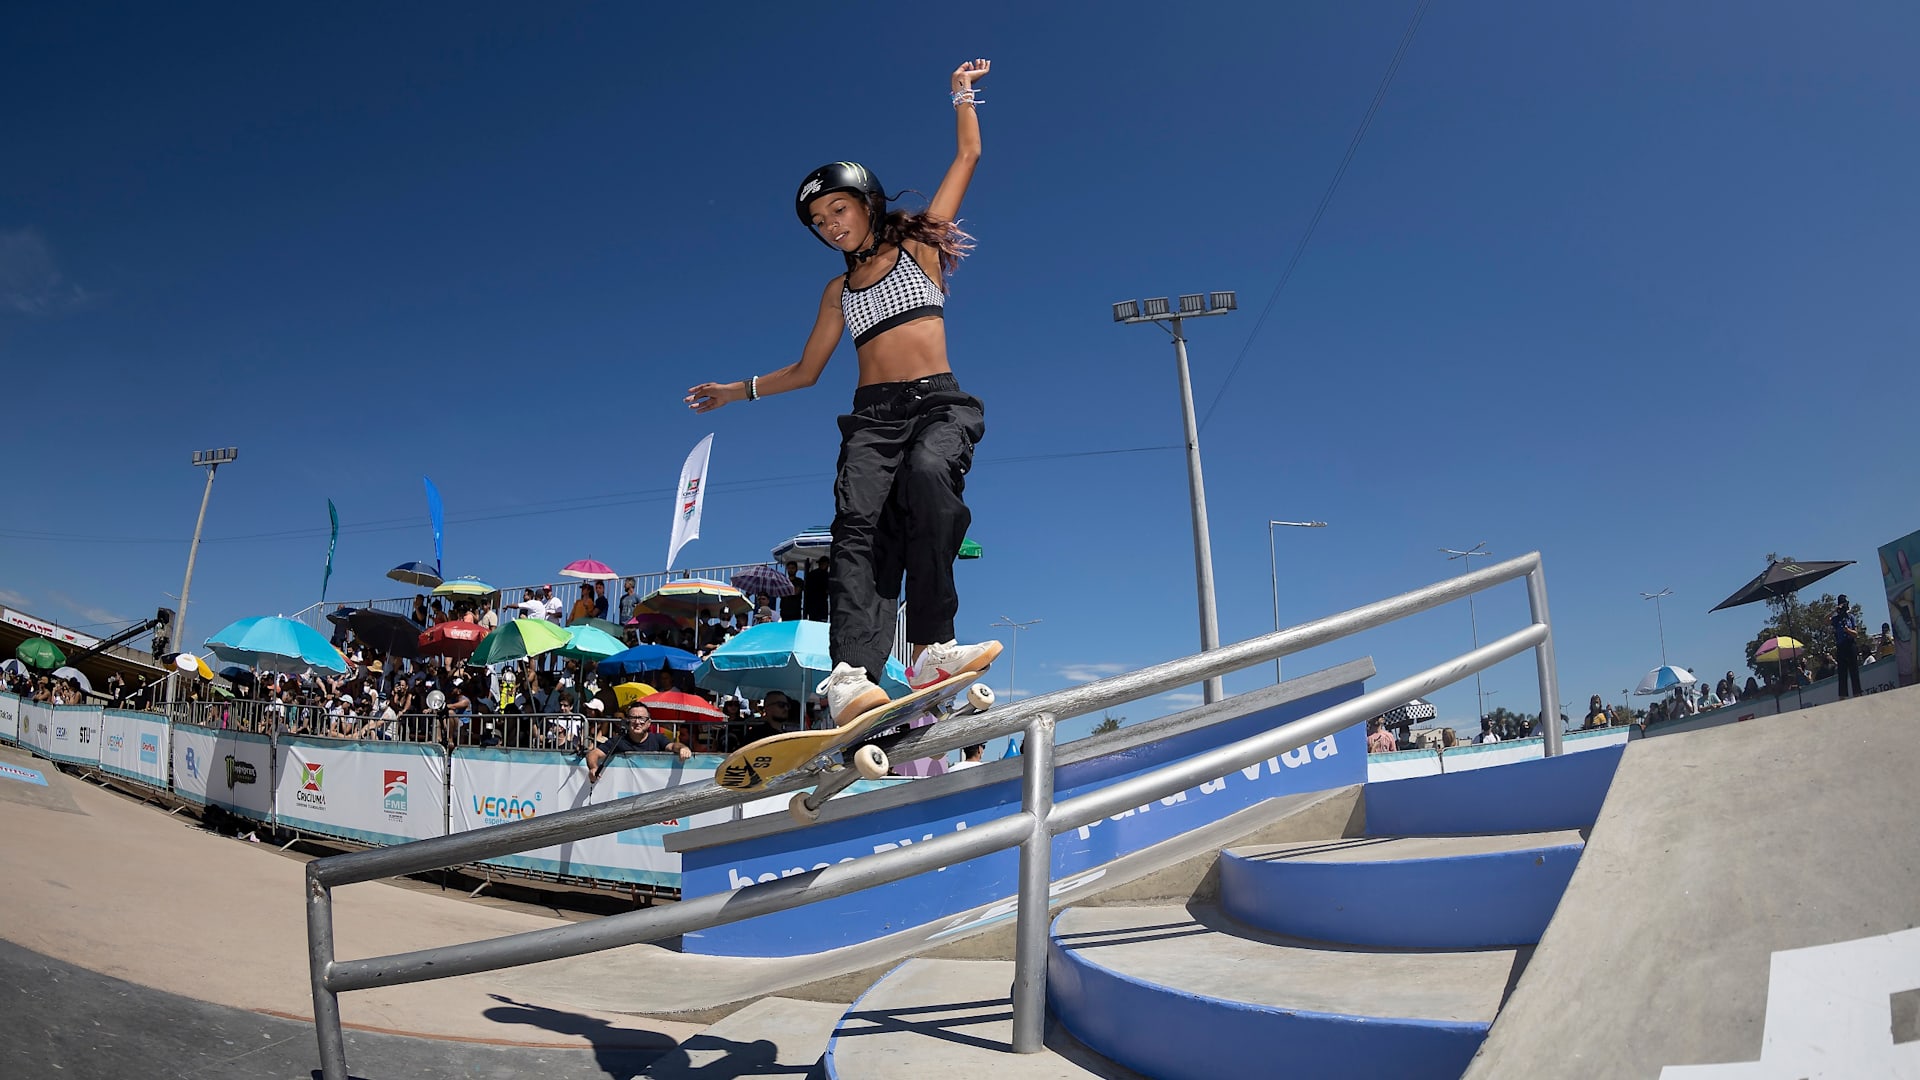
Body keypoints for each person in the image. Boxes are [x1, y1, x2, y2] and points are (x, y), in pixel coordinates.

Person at [686, 59, 1003, 723]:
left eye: (838, 210)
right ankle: (852, 673)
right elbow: (806, 371)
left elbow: (968, 154)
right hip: (871, 420)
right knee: (857, 530)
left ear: (868, 201)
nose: (831, 225)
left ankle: (929, 648)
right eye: (819, 222)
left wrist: (960, 95)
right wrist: (731, 391)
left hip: (937, 405)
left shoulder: (920, 245)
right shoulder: (837, 292)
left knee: (930, 483)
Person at [586, 704, 691, 784]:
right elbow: (593, 754)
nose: (637, 722)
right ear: (627, 721)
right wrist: (593, 768)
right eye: (633, 718)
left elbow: (672, 746)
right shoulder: (618, 741)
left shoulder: (658, 739)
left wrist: (683, 748)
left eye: (641, 718)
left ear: (649, 723)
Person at [1832, 594, 1862, 698]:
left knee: (1854, 670)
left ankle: (1857, 693)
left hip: (1851, 645)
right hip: (1841, 647)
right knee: (1842, 672)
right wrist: (1834, 610)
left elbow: (1856, 634)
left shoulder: (1851, 617)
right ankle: (1843, 695)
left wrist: (1847, 630)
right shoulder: (1836, 619)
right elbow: (1825, 620)